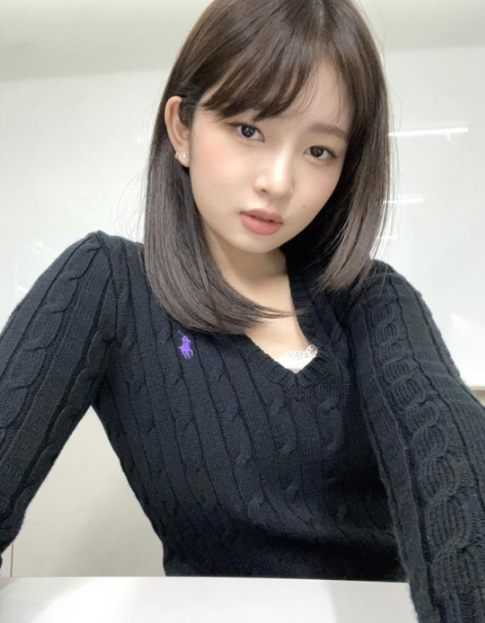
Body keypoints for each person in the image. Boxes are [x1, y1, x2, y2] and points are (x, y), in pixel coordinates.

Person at [1, 0, 484, 621]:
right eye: (249, 129)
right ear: (182, 129)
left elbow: (449, 453)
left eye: (320, 151)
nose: (279, 181)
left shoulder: (370, 296)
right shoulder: (108, 284)